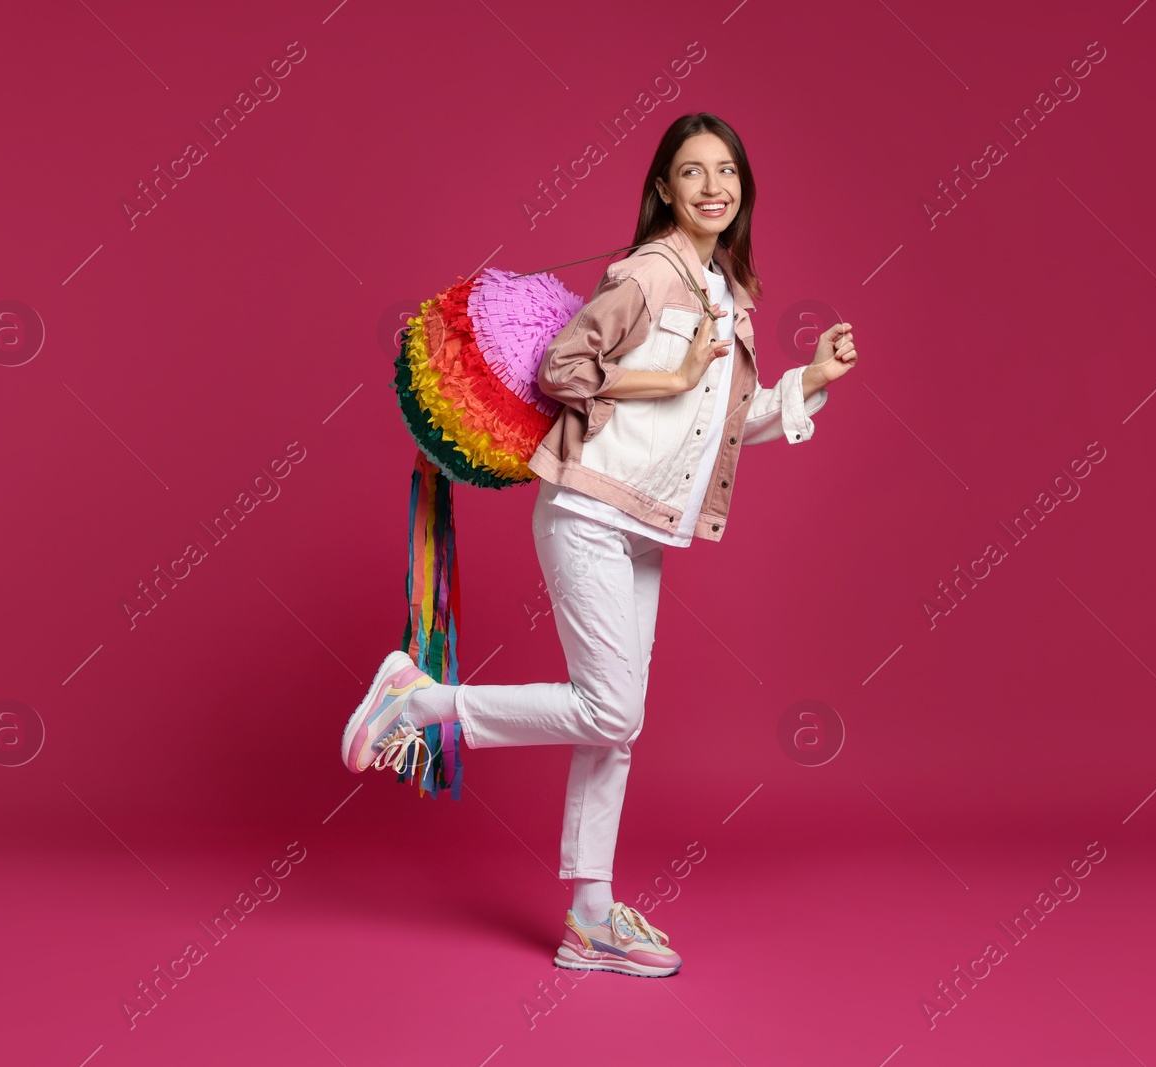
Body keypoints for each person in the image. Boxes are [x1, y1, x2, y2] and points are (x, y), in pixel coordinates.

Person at [343, 113, 859, 978]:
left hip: (642, 529)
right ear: (664, 188)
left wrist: (809, 381)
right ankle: (421, 702)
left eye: (725, 171)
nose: (712, 188)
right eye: (692, 173)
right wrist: (674, 373)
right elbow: (562, 369)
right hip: (586, 509)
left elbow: (728, 427)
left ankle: (590, 918)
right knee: (612, 708)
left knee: (614, 727)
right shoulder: (651, 274)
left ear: (742, 188)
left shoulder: (727, 296)